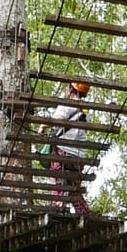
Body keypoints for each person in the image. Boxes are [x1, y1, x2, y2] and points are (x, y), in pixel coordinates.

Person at [47, 75, 92, 218]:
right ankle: (84, 213)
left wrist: (42, 127)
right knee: (74, 187)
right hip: (78, 157)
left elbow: (57, 119)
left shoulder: (67, 104)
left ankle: (57, 210)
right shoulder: (85, 112)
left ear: (70, 89)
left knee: (59, 182)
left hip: (63, 152)